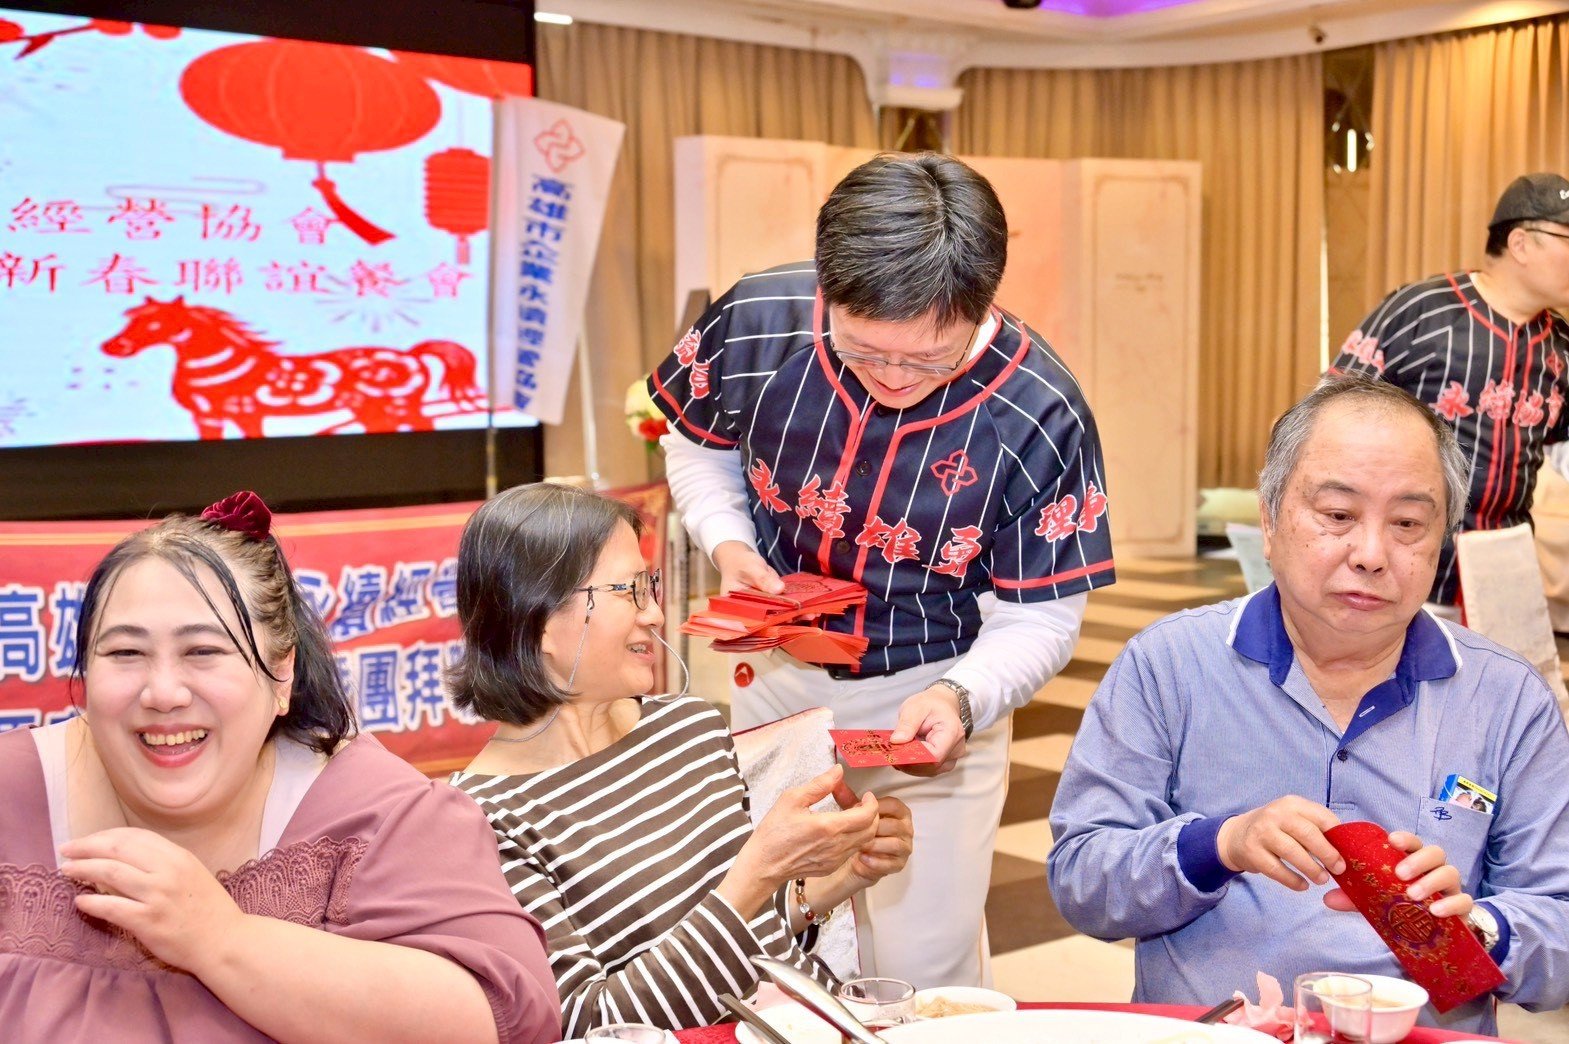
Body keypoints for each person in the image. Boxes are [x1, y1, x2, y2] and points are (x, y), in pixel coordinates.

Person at [648, 151, 1114, 987]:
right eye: (864, 352)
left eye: (930, 360)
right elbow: (696, 441)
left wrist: (963, 698)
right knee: (770, 940)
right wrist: (727, 541)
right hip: (778, 683)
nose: (895, 380)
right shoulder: (758, 320)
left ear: (981, 305)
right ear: (826, 290)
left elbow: (1040, 614)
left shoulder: (1039, 412)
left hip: (932, 701)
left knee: (921, 966)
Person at [1048, 374, 1569, 1037]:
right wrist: (1218, 845)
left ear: (1441, 542)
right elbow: (1082, 882)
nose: (1371, 555)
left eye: (1408, 524)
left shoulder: (1507, 698)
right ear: (1269, 521)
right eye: (1338, 515)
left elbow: (1559, 931)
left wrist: (1480, 928)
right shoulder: (1168, 664)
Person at [0, 491, 559, 1043]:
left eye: (203, 652)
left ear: (281, 674)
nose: (163, 693)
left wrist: (220, 938)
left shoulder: (380, 814)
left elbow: (499, 1019)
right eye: (126, 653)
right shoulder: (11, 789)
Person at [448, 482, 913, 1038]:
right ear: (541, 622)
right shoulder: (479, 819)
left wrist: (835, 879)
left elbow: (751, 940)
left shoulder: (686, 725)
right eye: (628, 591)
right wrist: (757, 871)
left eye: (650, 586)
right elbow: (585, 1026)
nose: (655, 615)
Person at [1333, 172, 1569, 610]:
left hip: (1506, 568)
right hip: (1404, 563)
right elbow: (1331, 415)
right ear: (1520, 243)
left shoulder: (1560, 345)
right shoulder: (1422, 311)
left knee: (1507, 657)